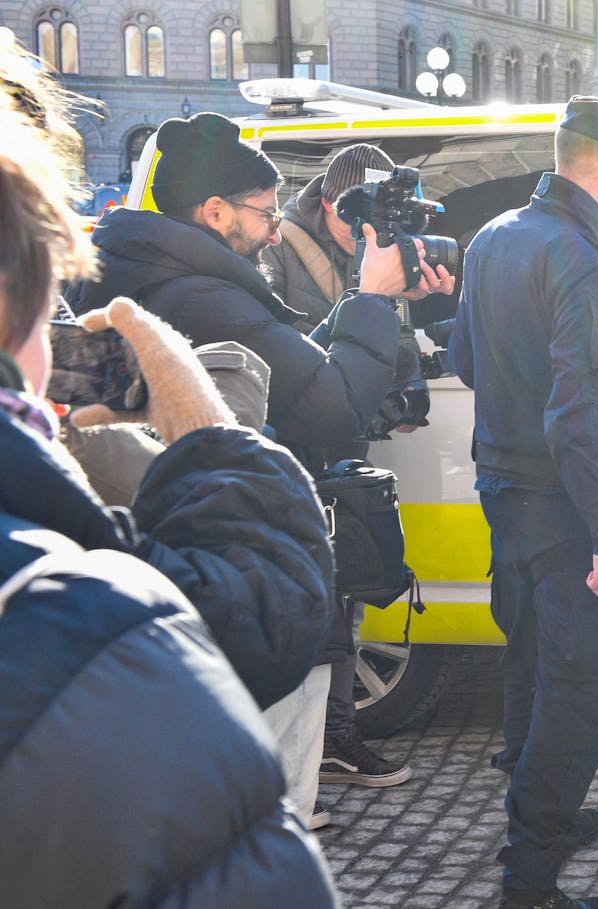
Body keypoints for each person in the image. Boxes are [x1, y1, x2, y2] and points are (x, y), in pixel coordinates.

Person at [63, 110, 452, 828]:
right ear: (213, 211)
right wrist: (369, 298)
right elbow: (330, 406)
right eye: (265, 213)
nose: (277, 229)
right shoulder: (201, 295)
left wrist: (376, 304)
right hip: (220, 563)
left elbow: (300, 359)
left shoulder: (151, 271)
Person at [0, 103, 339, 907]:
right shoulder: (66, 609)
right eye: (48, 311)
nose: (272, 230)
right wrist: (191, 397)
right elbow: (258, 611)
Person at [448, 96, 598, 909]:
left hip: (504, 492)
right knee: (573, 691)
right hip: (565, 507)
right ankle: (530, 883)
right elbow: (582, 417)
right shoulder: (581, 258)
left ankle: (546, 818)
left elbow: (466, 360)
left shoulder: (494, 238)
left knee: (528, 666)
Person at [261, 142, 416, 796]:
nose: (372, 233)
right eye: (362, 218)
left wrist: (403, 392)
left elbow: (389, 344)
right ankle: (292, 770)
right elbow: (288, 361)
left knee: (344, 608)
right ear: (330, 204)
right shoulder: (278, 253)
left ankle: (336, 742)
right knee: (307, 617)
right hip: (296, 463)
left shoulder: (373, 246)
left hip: (347, 458)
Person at [264, 142, 396, 328]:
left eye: (380, 216)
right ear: (327, 203)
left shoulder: (388, 244)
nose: (369, 228)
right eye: (356, 215)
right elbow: (269, 338)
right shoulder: (275, 245)